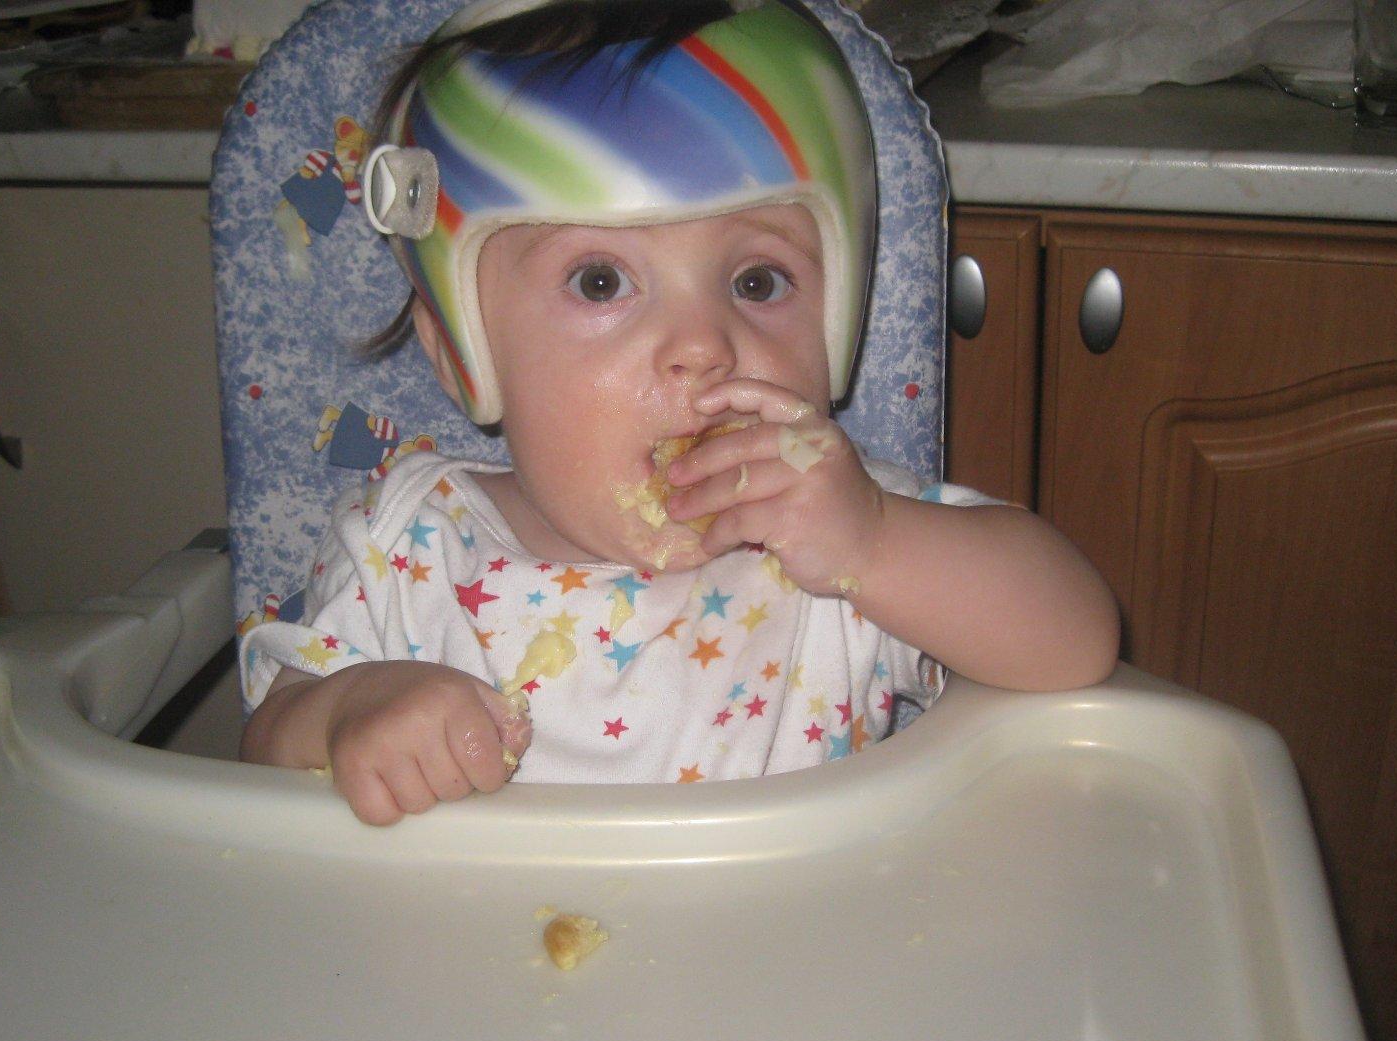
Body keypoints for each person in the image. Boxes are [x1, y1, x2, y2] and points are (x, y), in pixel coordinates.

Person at [238, 0, 1119, 825]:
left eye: (757, 282)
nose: (703, 345)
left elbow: (1075, 643)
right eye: (600, 282)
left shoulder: (840, 537)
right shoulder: (405, 551)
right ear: (462, 351)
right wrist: (348, 713)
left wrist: (874, 544)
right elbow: (266, 748)